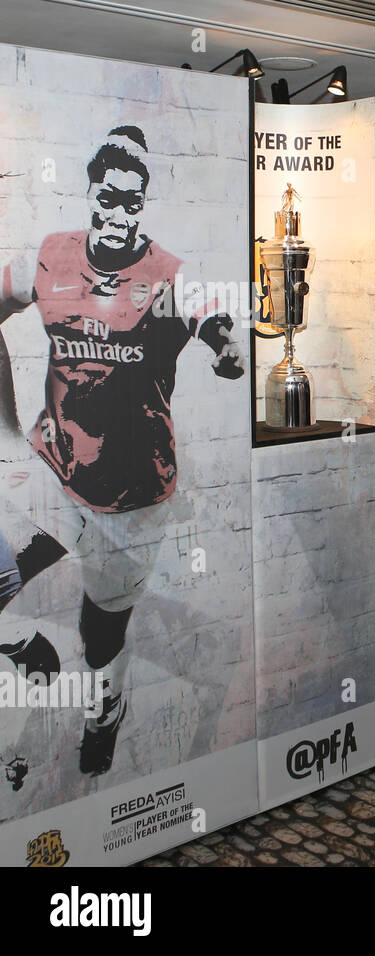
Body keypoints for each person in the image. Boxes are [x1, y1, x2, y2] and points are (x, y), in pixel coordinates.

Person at [0, 125, 245, 775]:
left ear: (144, 206)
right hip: (56, 470)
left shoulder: (166, 275)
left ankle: (105, 709)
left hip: (132, 495)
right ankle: (24, 648)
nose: (118, 214)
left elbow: (210, 313)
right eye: (109, 197)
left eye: (132, 203)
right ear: (90, 191)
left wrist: (226, 345)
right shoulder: (52, 257)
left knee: (99, 631)